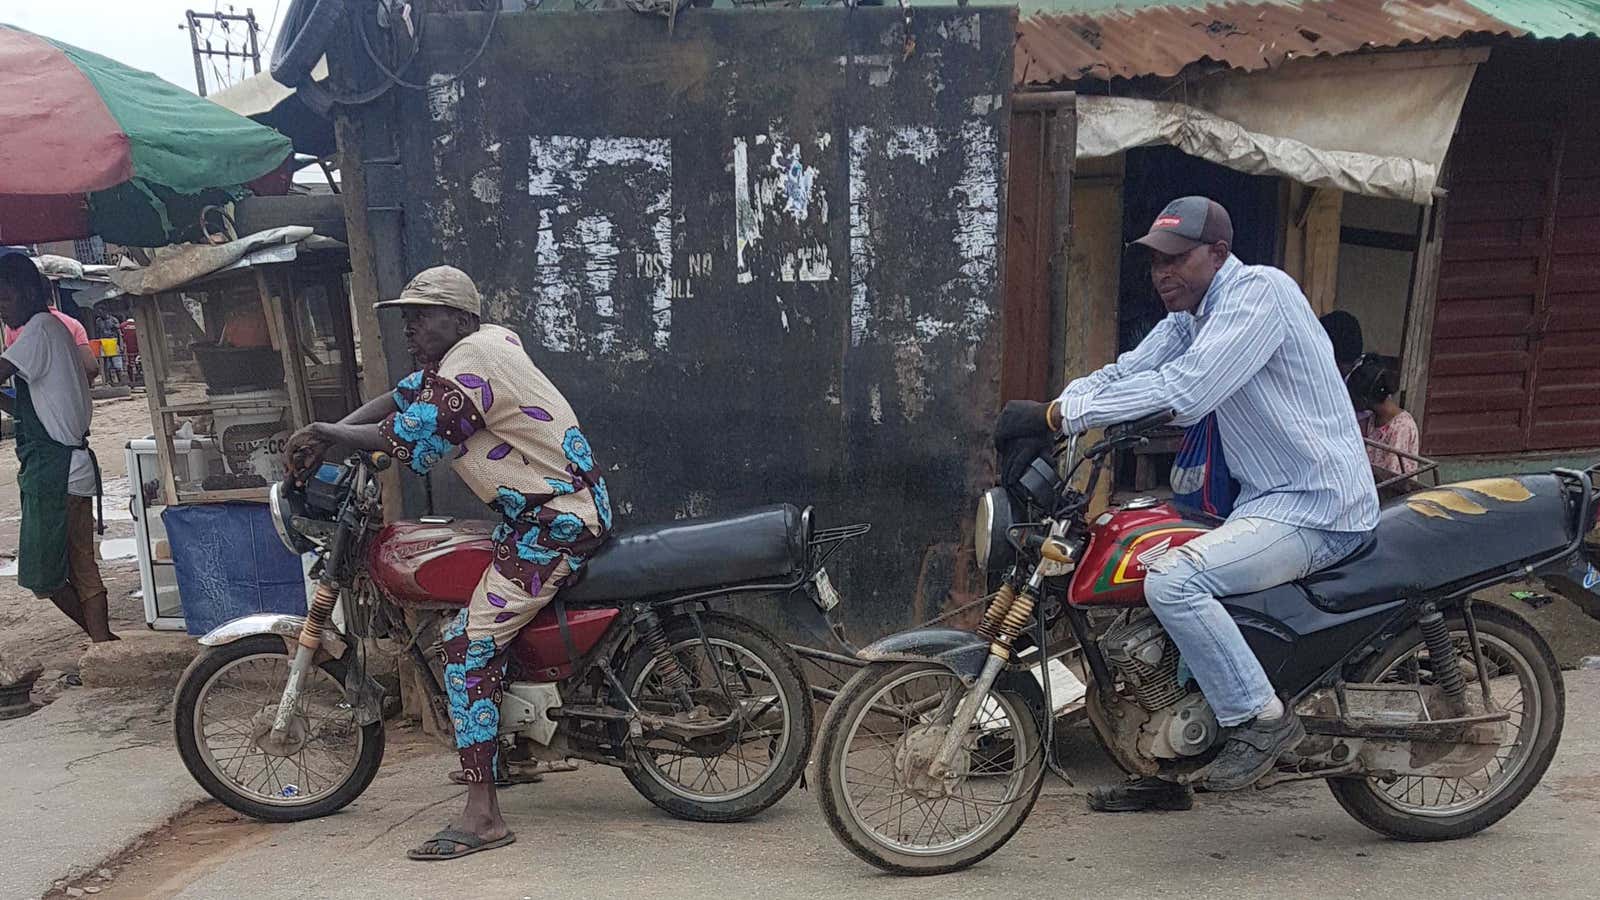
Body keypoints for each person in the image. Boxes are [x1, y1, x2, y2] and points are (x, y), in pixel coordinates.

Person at [995, 196, 1379, 810]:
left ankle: (1259, 719)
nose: (1162, 273)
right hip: (1263, 501)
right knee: (1140, 550)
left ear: (1218, 253)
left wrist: (1060, 414)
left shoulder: (1260, 295)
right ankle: (1174, 761)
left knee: (1172, 582)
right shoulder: (1189, 318)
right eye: (1154, 262)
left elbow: (1189, 390)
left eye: (1176, 258)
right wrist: (1053, 414)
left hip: (1318, 506)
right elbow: (1126, 372)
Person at [283, 266, 613, 862]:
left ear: (460, 319)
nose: (410, 327)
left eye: (422, 315)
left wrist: (329, 431)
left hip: (553, 524)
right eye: (405, 317)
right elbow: (407, 394)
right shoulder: (484, 346)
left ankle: (484, 815)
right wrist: (335, 433)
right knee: (473, 616)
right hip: (545, 513)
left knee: (467, 649)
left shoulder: (473, 363)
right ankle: (506, 752)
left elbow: (414, 431)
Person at [0, 255, 115, 643]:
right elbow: (32, 408)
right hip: (68, 466)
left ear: (29, 292)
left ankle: (102, 642)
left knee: (47, 574)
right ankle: (103, 644)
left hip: (58, 472)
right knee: (79, 564)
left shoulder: (40, 329)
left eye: (5, 298)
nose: (2, 309)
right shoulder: (52, 332)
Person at [1, 286, 98, 384]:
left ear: (28, 296)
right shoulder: (73, 323)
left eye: (6, 299)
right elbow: (91, 367)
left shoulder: (30, 326)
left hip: (34, 394)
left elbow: (6, 367)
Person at [1348, 356, 1420, 481]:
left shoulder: (1402, 427)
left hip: (1392, 492)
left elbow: (1392, 475)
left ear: (1365, 400)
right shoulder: (1372, 419)